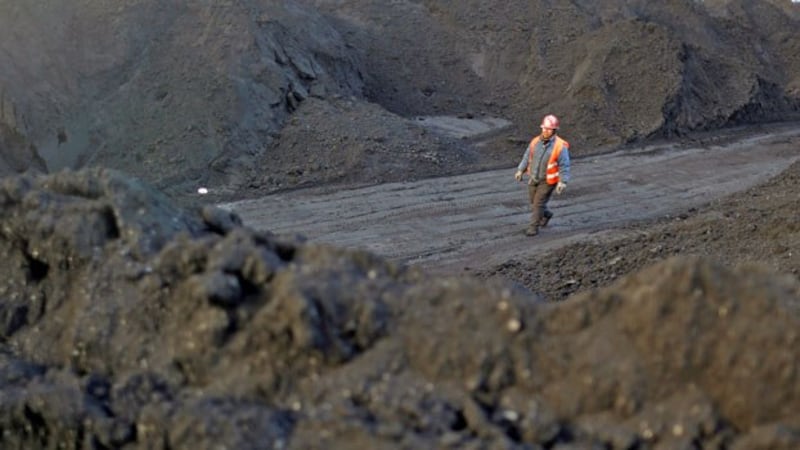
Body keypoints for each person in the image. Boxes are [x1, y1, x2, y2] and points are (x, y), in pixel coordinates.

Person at [514, 114, 571, 236]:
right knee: (533, 201)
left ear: (554, 130)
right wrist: (520, 170)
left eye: (548, 129)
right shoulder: (535, 142)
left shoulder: (560, 146)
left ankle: (533, 227)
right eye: (544, 128)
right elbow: (527, 156)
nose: (545, 131)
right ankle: (547, 214)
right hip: (534, 177)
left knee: (538, 204)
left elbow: (564, 165)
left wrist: (563, 181)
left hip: (548, 181)